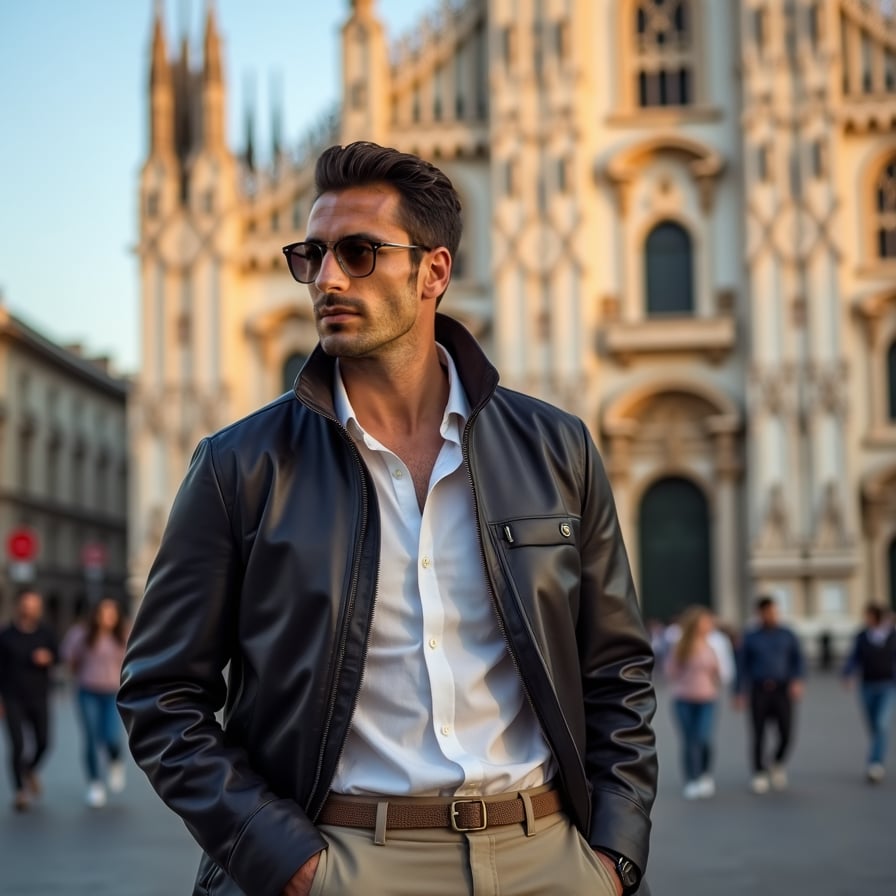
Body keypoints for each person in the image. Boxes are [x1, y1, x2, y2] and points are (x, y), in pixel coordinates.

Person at [118, 141, 658, 896]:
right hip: (348, 859)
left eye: (360, 252)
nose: (328, 278)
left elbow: (617, 669)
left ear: (434, 271)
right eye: (313, 255)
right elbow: (160, 693)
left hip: (547, 857)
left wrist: (613, 856)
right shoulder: (240, 466)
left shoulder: (554, 448)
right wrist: (290, 864)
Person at [60, 597, 129, 807]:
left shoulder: (124, 634)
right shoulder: (80, 633)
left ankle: (115, 761)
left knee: (111, 736)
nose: (107, 617)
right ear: (96, 614)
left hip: (113, 693)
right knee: (90, 738)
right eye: (103, 612)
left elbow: (134, 660)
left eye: (111, 613)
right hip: (87, 691)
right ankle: (95, 784)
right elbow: (69, 658)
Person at [734, 595, 805, 794]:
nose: (773, 615)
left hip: (783, 690)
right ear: (760, 613)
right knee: (758, 733)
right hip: (759, 690)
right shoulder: (750, 636)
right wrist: (739, 692)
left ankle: (776, 762)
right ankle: (759, 772)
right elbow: (742, 666)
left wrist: (797, 680)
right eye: (769, 611)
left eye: (775, 611)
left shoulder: (787, 634)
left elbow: (797, 659)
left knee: (786, 732)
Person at [0, 590, 58, 811]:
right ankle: (19, 792)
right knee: (17, 745)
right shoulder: (6, 636)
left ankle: (29, 769)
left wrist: (49, 658)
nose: (30, 609)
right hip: (12, 697)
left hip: (39, 696)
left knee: (44, 742)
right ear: (18, 606)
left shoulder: (45, 633)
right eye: (26, 605)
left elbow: (58, 655)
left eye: (34, 605)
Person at [663, 606, 722, 799]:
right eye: (705, 622)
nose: (708, 625)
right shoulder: (680, 646)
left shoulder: (711, 646)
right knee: (689, 740)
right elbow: (670, 671)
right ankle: (691, 779)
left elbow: (717, 671)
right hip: (684, 699)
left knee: (703, 738)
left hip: (706, 699)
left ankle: (704, 774)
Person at [841, 603, 896, 783]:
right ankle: (877, 752)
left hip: (888, 685)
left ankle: (875, 763)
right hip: (867, 685)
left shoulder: (892, 635)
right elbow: (854, 657)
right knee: (873, 725)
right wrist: (847, 673)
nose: (866, 619)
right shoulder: (863, 636)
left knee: (881, 724)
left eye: (869, 616)